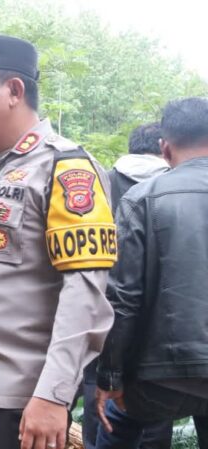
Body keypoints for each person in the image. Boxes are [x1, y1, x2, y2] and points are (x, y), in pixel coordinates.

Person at [0, 34, 116, 449]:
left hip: (16, 396)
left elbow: (85, 293)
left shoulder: (65, 167)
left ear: (14, 90)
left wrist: (53, 393)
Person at [95, 97, 208, 448]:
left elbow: (124, 296)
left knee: (118, 431)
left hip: (160, 377)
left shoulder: (144, 198)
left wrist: (109, 377)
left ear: (164, 148)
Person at [80, 123, 171, 449]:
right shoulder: (179, 187)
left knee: (99, 405)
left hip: (99, 317)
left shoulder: (99, 182)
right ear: (165, 147)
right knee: (155, 417)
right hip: (163, 325)